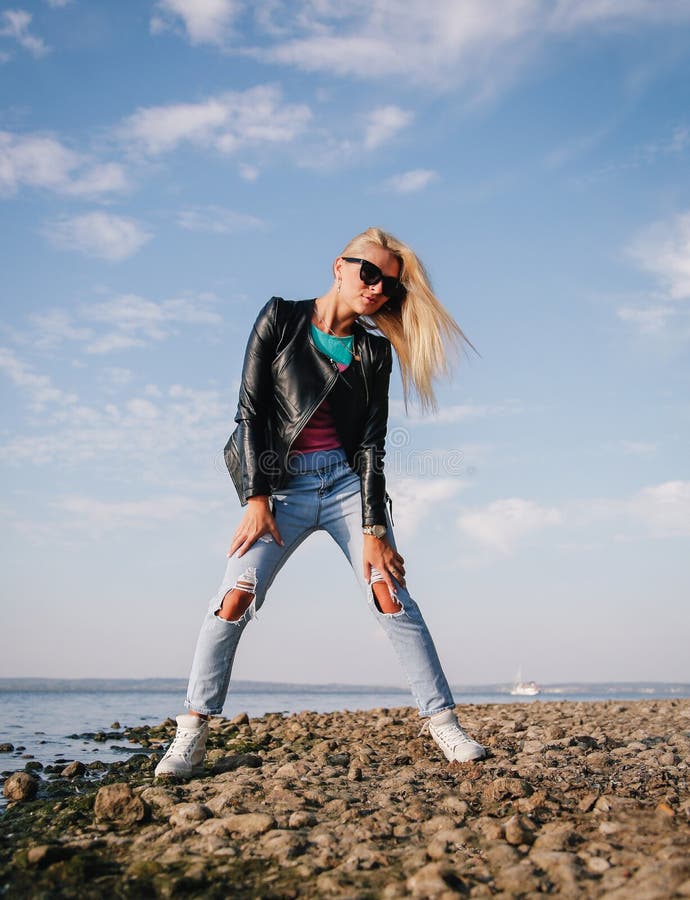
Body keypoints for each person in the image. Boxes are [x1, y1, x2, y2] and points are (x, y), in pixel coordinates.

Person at [155, 227, 485, 778]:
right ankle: (190, 732)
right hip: (280, 488)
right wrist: (256, 497)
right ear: (340, 266)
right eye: (369, 273)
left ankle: (444, 723)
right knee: (234, 597)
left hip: (347, 488)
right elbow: (250, 410)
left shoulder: (374, 353)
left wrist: (375, 527)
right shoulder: (280, 318)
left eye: (390, 287)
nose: (377, 289)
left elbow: (372, 444)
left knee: (389, 592)